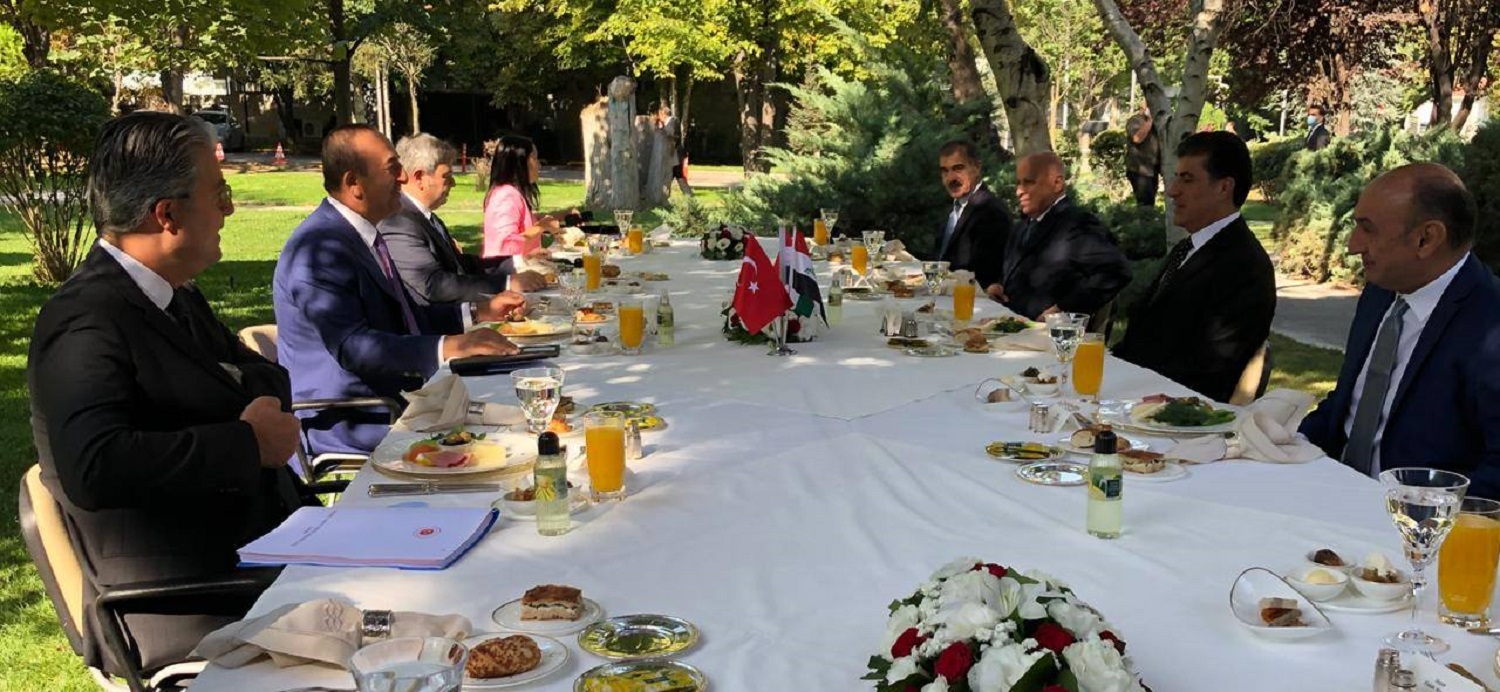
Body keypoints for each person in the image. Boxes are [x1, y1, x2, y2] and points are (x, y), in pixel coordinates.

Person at [27, 111, 303, 674]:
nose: (229, 209)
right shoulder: (86, 318)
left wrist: (243, 400)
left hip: (259, 561)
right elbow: (94, 465)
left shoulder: (173, 295)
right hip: (191, 601)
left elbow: (265, 376)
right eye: (219, 193)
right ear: (168, 214)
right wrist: (246, 443)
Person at [274, 125, 524, 456]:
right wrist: (450, 346)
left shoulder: (363, 234)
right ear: (354, 183)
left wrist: (479, 312)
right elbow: (354, 347)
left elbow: (405, 318)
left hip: (403, 397)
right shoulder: (318, 251)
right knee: (508, 438)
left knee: (523, 405)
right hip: (357, 415)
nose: (403, 178)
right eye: (393, 169)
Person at [1299, 164, 1500, 497]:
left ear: (1426, 239)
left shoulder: (1489, 324)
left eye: (1368, 229)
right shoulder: (1381, 292)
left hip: (1416, 520)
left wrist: (1420, 513)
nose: (1352, 245)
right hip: (1330, 491)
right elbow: (1349, 404)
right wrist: (1291, 442)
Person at [1112, 131, 1276, 403]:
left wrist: (1124, 392)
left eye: (1187, 180)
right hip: (1132, 395)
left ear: (1224, 188)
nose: (1172, 190)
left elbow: (1212, 370)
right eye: (1176, 177)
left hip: (1173, 413)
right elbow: (1142, 337)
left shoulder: (1245, 266)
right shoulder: (1188, 247)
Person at [381, 134, 545, 305]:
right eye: (446, 176)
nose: (453, 183)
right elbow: (434, 284)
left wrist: (515, 262)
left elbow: (459, 263)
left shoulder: (424, 216)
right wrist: (507, 283)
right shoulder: (399, 223)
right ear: (419, 178)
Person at [992, 152, 1132, 321]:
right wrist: (998, 287)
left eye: (1028, 182)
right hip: (1004, 324)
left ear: (1057, 183)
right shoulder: (1023, 226)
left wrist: (1062, 310)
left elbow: (1117, 271)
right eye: (1018, 183)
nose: (1019, 191)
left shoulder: (1077, 224)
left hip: (1046, 333)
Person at [934, 140, 1011, 289]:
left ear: (977, 168)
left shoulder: (991, 212)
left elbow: (984, 276)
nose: (950, 178)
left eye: (958, 168)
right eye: (945, 171)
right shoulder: (953, 208)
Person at [481, 135, 560, 272]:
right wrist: (542, 227)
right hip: (506, 275)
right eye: (534, 158)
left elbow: (520, 234)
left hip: (518, 269)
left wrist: (530, 253)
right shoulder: (506, 195)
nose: (539, 165)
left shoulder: (512, 193)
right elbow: (504, 245)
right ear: (519, 162)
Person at [1125, 105, 1161, 207]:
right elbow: (1137, 138)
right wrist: (1149, 121)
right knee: (1145, 204)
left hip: (1152, 170)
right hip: (1139, 170)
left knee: (1150, 202)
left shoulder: (1157, 123)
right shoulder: (1134, 120)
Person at [659, 106, 693, 197]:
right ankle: (689, 195)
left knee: (672, 175)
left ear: (663, 114)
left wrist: (661, 130)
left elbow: (670, 137)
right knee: (677, 175)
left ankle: (665, 196)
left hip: (674, 155)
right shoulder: (673, 122)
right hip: (675, 154)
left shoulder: (670, 122)